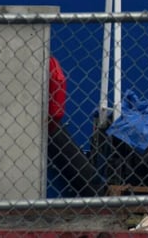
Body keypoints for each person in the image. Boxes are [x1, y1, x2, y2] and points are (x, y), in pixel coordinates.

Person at [47, 57, 107, 197]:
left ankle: (96, 194)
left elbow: (56, 109)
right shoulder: (49, 63)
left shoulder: (49, 63)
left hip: (49, 124)